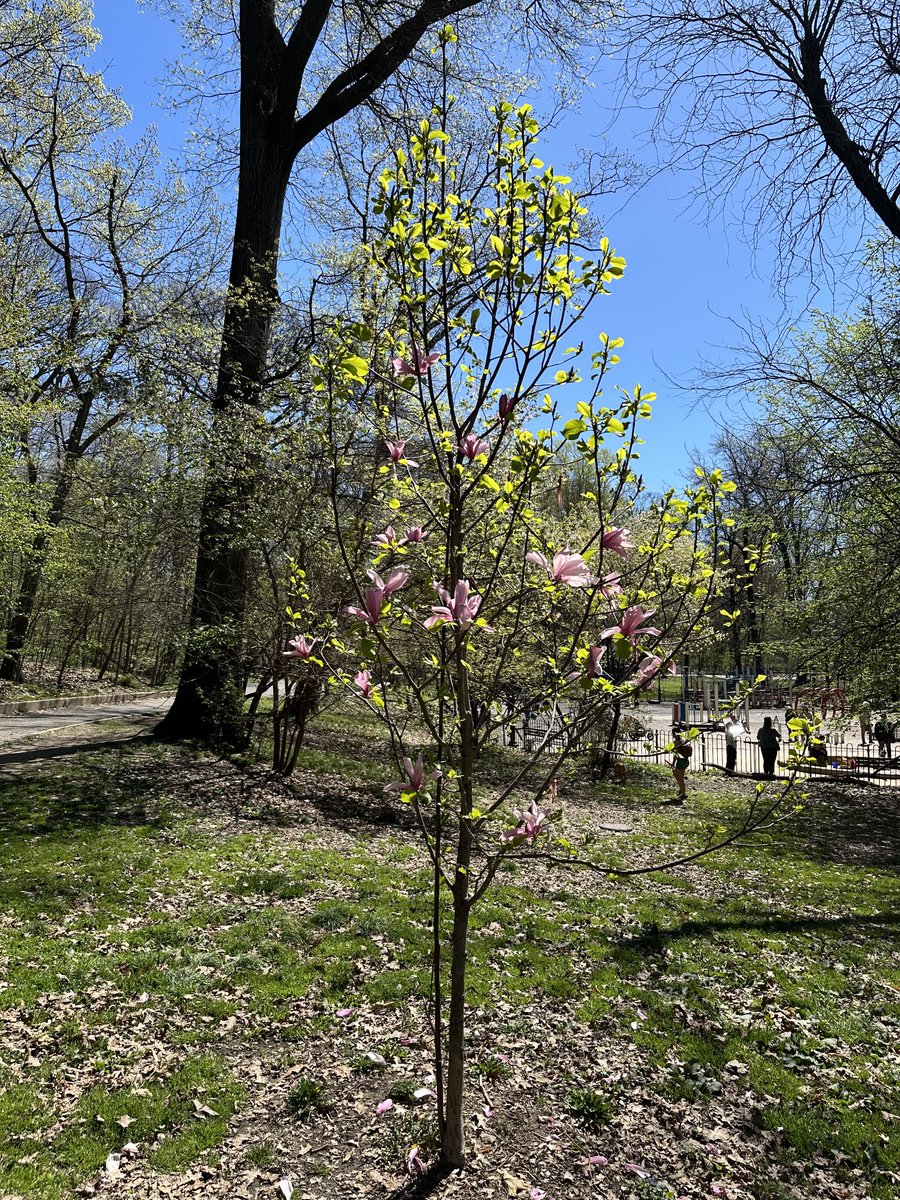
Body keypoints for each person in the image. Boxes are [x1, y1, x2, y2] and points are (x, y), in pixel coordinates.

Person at [671, 731, 692, 801]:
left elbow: (675, 753)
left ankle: (683, 794)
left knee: (680, 778)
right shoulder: (683, 740)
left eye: (673, 733)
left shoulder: (676, 742)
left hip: (681, 761)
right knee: (676, 774)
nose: (672, 734)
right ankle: (681, 790)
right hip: (684, 761)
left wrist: (673, 762)